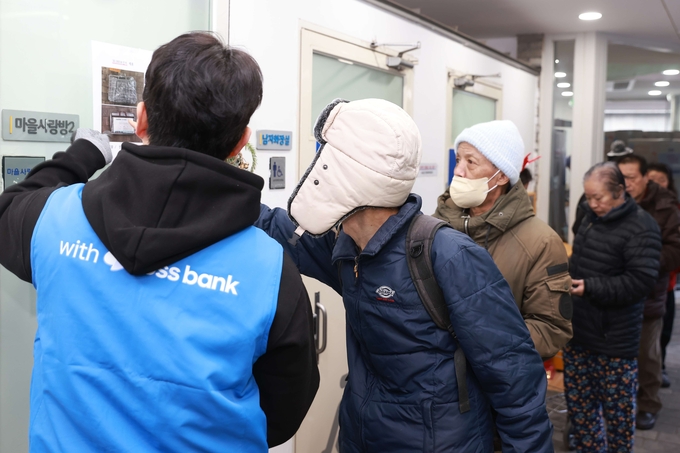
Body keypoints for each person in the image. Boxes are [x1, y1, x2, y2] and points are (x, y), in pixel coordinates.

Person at [0, 32, 319, 451]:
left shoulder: (54, 221)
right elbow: (283, 413)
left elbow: (8, 209)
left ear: (141, 118)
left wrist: (82, 155)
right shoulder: (270, 270)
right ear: (240, 141)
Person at [257, 98, 553, 452]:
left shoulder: (448, 255)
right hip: (363, 438)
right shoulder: (345, 245)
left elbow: (515, 379)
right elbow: (276, 228)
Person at [432, 120, 572, 360]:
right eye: (458, 160)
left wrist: (481, 340)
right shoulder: (436, 225)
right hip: (433, 376)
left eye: (470, 162)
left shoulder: (541, 242)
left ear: (502, 176)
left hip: (495, 378)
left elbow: (550, 329)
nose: (458, 171)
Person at [566, 162, 662, 451]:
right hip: (579, 333)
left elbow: (640, 282)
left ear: (620, 191)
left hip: (615, 342)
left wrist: (590, 287)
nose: (592, 204)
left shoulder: (642, 227)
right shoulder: (588, 215)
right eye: (588, 197)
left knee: (618, 419)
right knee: (582, 414)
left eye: (598, 198)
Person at [618, 154, 680, 430]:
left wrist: (642, 262)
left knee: (647, 354)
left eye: (631, 178)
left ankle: (648, 404)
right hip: (614, 292)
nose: (626, 183)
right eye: (621, 177)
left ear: (644, 177)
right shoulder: (610, 199)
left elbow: (675, 251)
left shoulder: (666, 206)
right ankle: (618, 401)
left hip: (649, 293)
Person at [647, 162, 679, 389]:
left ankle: (661, 366)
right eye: (652, 180)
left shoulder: (672, 209)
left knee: (663, 330)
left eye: (662, 180)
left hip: (664, 283)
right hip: (639, 283)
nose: (657, 185)